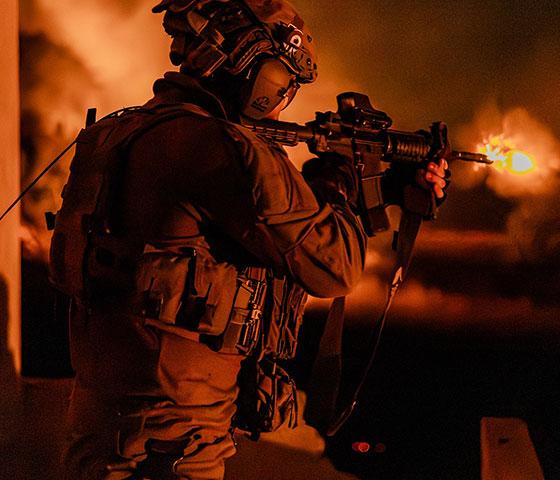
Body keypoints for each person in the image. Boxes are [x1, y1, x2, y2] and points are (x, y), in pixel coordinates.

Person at [49, 0, 450, 478]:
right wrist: (340, 179)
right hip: (171, 443)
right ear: (250, 62)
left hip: (108, 427)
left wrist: (379, 189)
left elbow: (230, 231)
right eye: (285, 78)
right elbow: (333, 265)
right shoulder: (226, 149)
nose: (286, 97)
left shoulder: (121, 131)